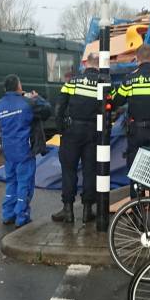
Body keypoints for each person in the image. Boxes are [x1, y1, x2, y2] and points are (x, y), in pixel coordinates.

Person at [111, 43, 150, 196]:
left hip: (137, 131)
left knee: (135, 169)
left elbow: (116, 100)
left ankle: (137, 205)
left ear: (137, 59)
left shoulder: (130, 80)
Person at [0, 74, 51, 228]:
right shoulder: (28, 103)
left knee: (11, 182)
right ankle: (21, 217)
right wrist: (37, 98)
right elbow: (47, 110)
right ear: (19, 86)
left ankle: (7, 214)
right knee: (24, 183)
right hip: (24, 150)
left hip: (8, 150)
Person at [52, 53, 101, 224]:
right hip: (93, 132)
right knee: (90, 170)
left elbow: (59, 107)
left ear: (85, 63)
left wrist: (61, 130)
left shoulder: (72, 82)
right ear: (100, 65)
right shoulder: (104, 83)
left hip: (72, 131)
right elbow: (112, 104)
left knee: (69, 170)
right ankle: (87, 211)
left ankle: (68, 211)